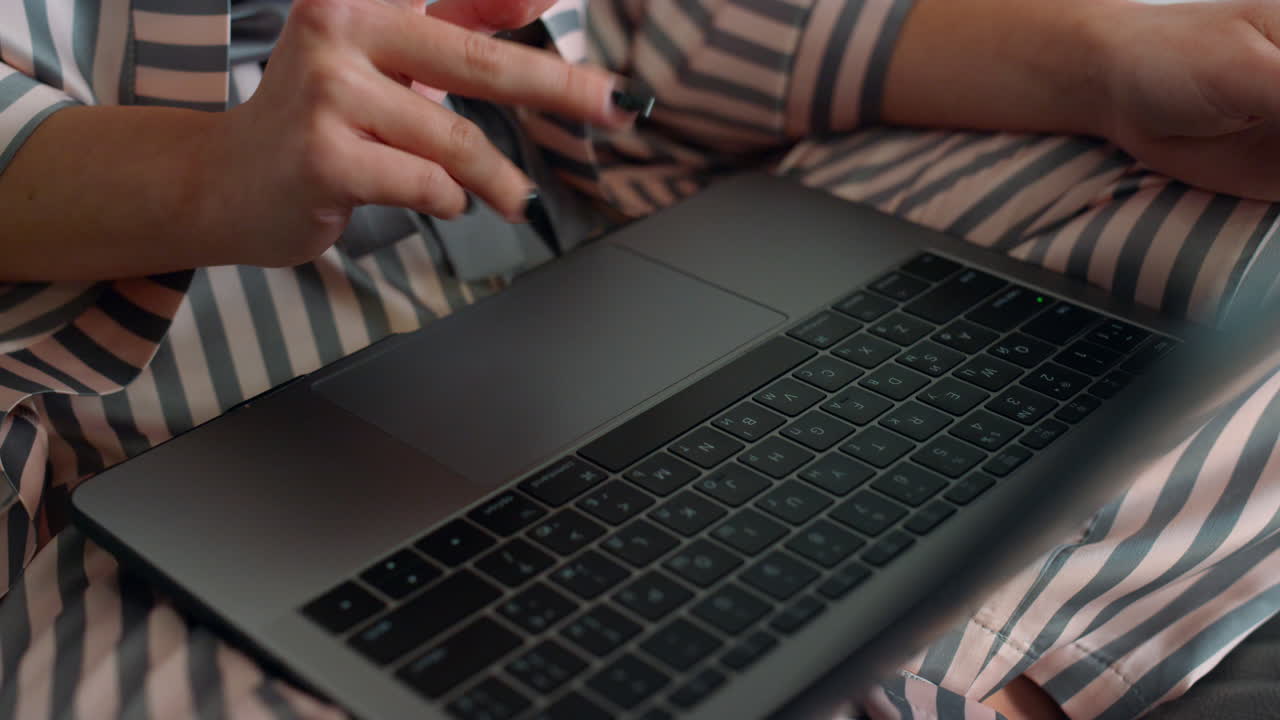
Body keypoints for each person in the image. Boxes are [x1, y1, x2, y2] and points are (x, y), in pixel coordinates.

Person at [1, 0, 1278, 718]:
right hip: (204, 453)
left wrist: (1112, 63)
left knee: (1226, 227)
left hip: (646, 261)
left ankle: (923, 650)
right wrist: (205, 173)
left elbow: (657, 28)